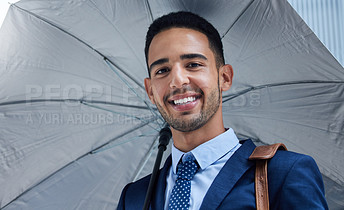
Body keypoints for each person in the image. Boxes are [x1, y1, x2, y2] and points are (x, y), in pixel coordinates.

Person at [117, 11, 328, 210]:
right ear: (150, 90)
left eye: (193, 64)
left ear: (224, 77)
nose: (177, 81)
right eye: (162, 70)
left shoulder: (284, 173)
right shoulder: (134, 198)